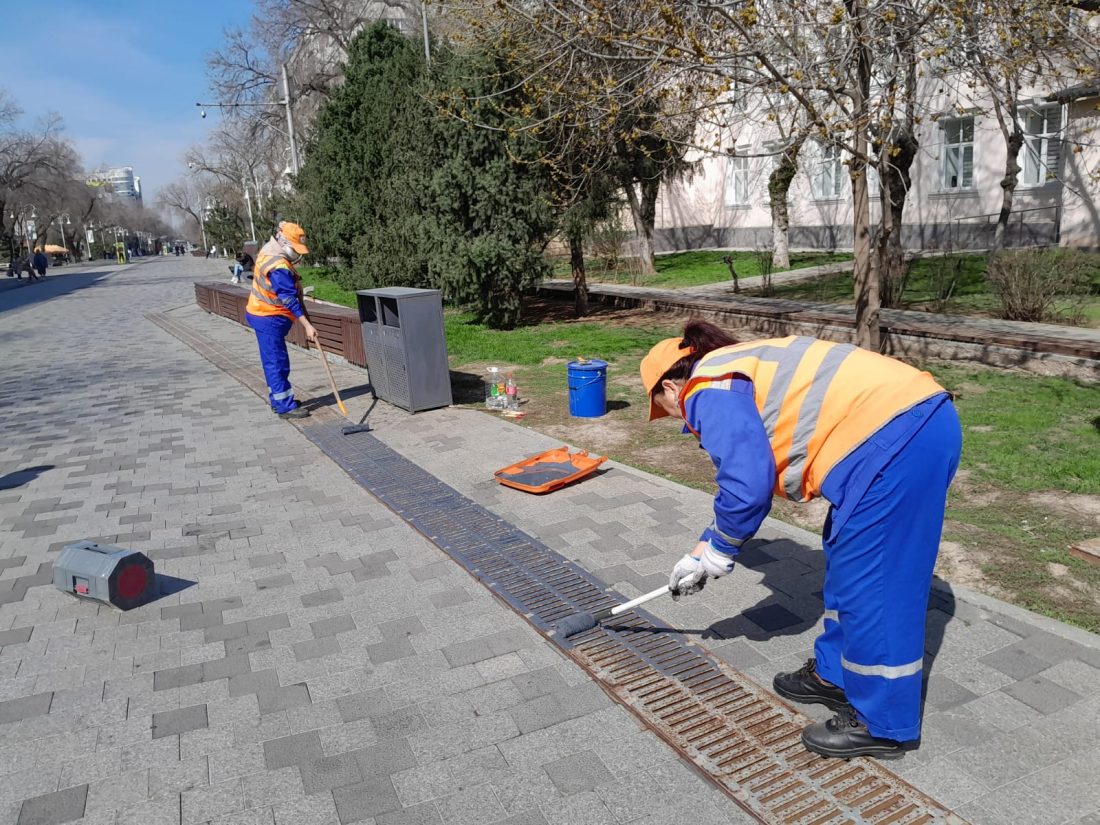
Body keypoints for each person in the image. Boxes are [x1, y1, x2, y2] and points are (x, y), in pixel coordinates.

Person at [640, 321, 961, 760]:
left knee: (876, 585)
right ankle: (833, 676)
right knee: (848, 562)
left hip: (902, 436)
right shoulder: (732, 368)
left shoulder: (705, 386)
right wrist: (705, 545)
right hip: (897, 430)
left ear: (671, 386)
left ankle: (884, 724)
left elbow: (747, 482)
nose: (677, 419)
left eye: (664, 407)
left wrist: (719, 549)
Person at [244, 222, 317, 419]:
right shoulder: (278, 265)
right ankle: (284, 406)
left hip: (264, 313)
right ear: (284, 242)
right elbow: (289, 299)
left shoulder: (270, 250)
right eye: (295, 249)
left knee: (274, 361)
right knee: (276, 362)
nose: (297, 254)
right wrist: (307, 326)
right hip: (268, 316)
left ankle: (280, 400)